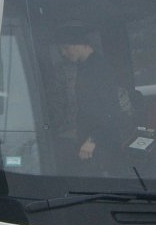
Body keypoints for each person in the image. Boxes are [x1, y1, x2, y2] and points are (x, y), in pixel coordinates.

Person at [53, 24, 130, 169]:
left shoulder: (99, 68)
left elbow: (111, 111)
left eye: (66, 47)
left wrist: (93, 140)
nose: (63, 53)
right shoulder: (84, 66)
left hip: (99, 145)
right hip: (88, 141)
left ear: (81, 44)